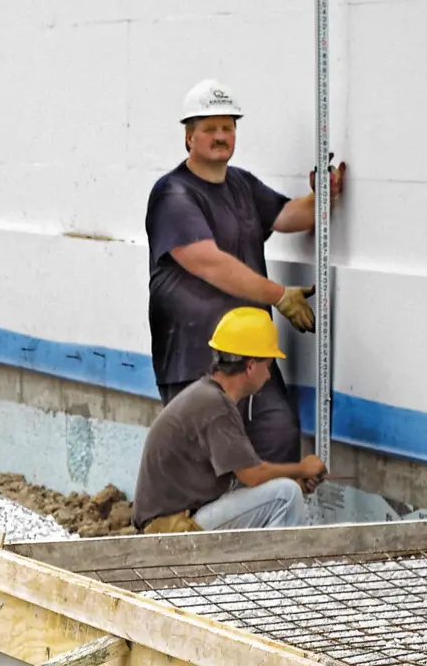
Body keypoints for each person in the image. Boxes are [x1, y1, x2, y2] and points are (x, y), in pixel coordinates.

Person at [144, 78, 343, 463]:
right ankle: (205, 523)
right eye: (209, 129)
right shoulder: (173, 194)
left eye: (228, 127)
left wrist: (322, 196)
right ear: (189, 138)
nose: (221, 136)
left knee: (278, 438)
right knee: (205, 462)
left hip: (251, 356)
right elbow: (208, 262)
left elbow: (288, 216)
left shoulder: (242, 184)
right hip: (193, 359)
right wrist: (280, 295)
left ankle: (263, 520)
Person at [133, 308, 327, 531]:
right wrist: (302, 469)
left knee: (286, 489)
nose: (269, 375)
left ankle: (264, 562)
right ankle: (277, 566)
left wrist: (295, 478)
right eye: (268, 365)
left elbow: (239, 479)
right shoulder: (216, 406)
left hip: (171, 520)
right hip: (171, 529)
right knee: (286, 494)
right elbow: (253, 475)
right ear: (251, 366)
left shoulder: (208, 396)